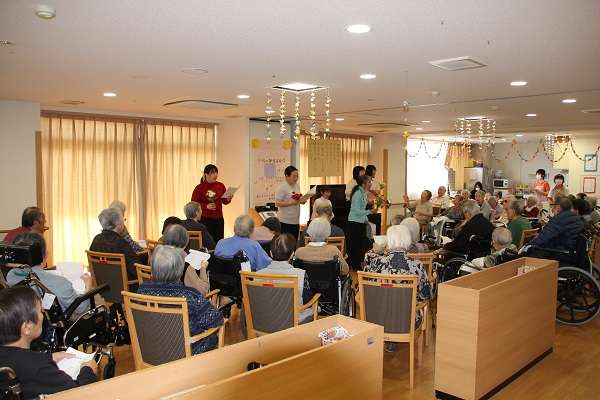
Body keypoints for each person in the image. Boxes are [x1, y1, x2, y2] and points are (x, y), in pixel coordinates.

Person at [0, 287, 97, 398]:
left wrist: (48, 358)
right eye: (40, 311)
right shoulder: (38, 367)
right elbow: (76, 393)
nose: (43, 316)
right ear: (27, 327)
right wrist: (88, 370)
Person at [137, 245, 223, 354]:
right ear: (180, 269)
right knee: (212, 337)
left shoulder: (142, 290)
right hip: (186, 352)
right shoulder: (190, 295)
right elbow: (216, 321)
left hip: (153, 350)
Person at [7, 232, 90, 319]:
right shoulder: (60, 283)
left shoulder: (11, 275)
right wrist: (87, 286)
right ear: (44, 255)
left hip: (23, 318)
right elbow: (80, 308)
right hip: (56, 323)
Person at [363, 225, 431, 300]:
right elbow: (426, 295)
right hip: (407, 307)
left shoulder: (375, 262)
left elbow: (368, 291)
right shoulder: (417, 265)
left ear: (389, 241)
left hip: (379, 305)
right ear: (408, 241)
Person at [258, 234, 315, 323]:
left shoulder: (257, 275)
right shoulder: (300, 274)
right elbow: (307, 300)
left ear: (271, 253)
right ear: (292, 254)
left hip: (264, 321)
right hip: (292, 322)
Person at [89, 208, 144, 280]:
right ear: (118, 225)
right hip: (125, 285)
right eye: (123, 220)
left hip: (102, 283)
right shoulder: (120, 242)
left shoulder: (96, 240)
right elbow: (137, 268)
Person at [525, 197, 584, 262]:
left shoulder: (559, 219)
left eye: (552, 206)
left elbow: (543, 238)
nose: (552, 208)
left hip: (562, 253)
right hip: (572, 252)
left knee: (530, 253)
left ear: (558, 207)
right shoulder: (576, 218)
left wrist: (526, 246)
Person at [162, 224, 209, 296]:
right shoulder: (185, 266)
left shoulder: (156, 260)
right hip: (180, 301)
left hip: (159, 299)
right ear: (185, 243)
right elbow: (203, 291)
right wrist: (203, 268)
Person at [191, 164, 233, 242]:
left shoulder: (220, 185)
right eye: (212, 173)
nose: (215, 175)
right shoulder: (199, 188)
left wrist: (228, 199)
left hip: (219, 219)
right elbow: (193, 204)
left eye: (216, 173)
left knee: (219, 241)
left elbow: (224, 201)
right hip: (205, 219)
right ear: (206, 174)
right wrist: (205, 206)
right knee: (208, 242)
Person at [347, 175, 378, 269]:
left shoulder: (363, 192)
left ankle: (356, 264)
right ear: (363, 184)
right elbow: (356, 211)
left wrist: (369, 206)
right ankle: (355, 265)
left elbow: (362, 207)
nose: (371, 183)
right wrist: (370, 211)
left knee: (360, 244)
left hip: (360, 221)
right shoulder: (358, 194)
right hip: (354, 222)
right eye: (369, 182)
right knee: (356, 245)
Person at [275, 166, 307, 240]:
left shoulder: (297, 185)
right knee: (286, 242)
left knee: (294, 241)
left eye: (297, 176)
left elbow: (298, 198)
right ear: (287, 176)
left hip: (296, 220)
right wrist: (292, 203)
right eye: (294, 176)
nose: (296, 178)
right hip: (285, 221)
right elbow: (278, 203)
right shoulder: (282, 187)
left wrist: (302, 201)